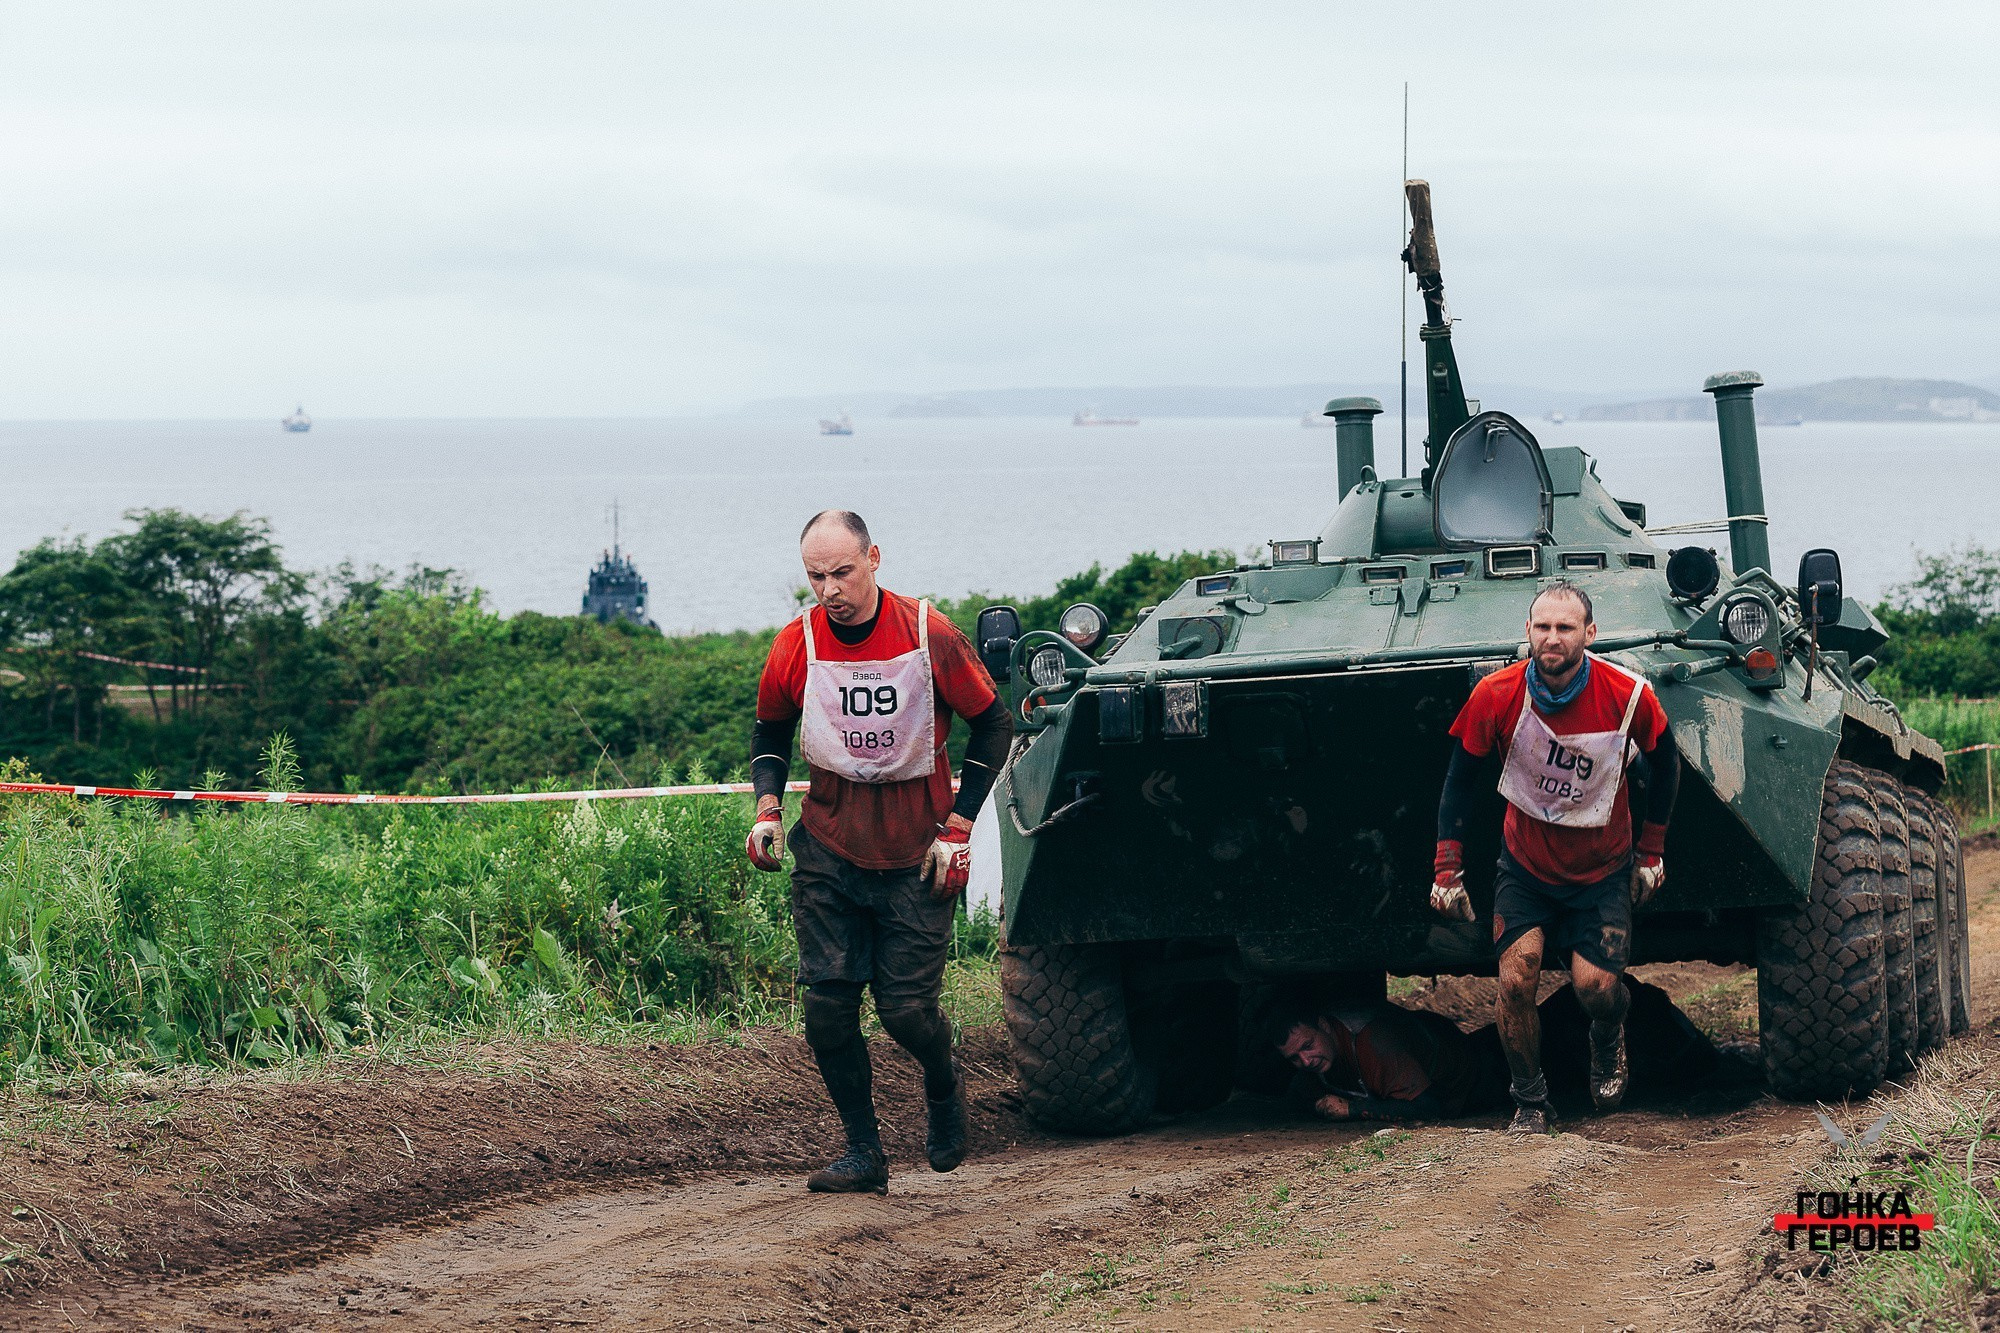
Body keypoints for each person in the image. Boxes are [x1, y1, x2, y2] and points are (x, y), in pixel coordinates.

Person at [745, 510, 1013, 1194]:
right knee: (827, 1008)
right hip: (829, 849)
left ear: (874, 559)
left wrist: (959, 826)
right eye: (815, 576)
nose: (829, 589)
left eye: (841, 571)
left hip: (915, 856)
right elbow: (770, 731)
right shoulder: (797, 642)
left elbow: (993, 724)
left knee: (905, 1013)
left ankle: (943, 1080)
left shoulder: (928, 633)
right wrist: (768, 810)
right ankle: (864, 1152)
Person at [1431, 579, 1680, 1135]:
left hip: (1602, 870)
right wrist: (1447, 868)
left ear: (1589, 634)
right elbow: (1459, 781)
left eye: (1565, 627)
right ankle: (1530, 1100)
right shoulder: (1495, 695)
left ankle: (1608, 1033)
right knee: (1516, 981)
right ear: (1527, 630)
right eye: (1542, 626)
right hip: (1526, 867)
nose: (1552, 637)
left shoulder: (1629, 696)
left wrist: (1652, 851)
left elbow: (1667, 767)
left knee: (1596, 989)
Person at [1268, 995, 1507, 1123]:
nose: (1306, 1061)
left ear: (1324, 1025)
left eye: (1308, 1046)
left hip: (1475, 1076)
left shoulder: (1374, 1043)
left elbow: (1429, 1108)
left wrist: (1352, 1109)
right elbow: (1296, 1097)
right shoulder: (1317, 1057)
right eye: (1294, 1058)